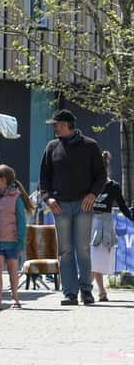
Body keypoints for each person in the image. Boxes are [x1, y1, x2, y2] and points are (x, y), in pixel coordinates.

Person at [39, 109, 107, 306]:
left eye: (56, 124)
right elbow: (44, 177)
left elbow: (101, 175)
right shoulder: (51, 147)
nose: (53, 127)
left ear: (67, 125)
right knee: (65, 250)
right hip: (60, 206)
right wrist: (47, 198)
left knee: (83, 249)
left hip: (83, 205)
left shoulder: (90, 146)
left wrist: (93, 194)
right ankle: (69, 293)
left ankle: (86, 291)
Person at [0, 164, 35, 310]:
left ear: (3, 179)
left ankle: (15, 298)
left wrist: (20, 243)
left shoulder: (16, 198)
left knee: (12, 270)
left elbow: (21, 223)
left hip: (11, 241)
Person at [91, 151, 132, 302]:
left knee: (98, 259)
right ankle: (96, 291)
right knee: (93, 259)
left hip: (105, 224)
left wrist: (131, 218)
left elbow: (122, 206)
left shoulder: (113, 186)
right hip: (89, 223)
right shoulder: (87, 184)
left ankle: (91, 290)